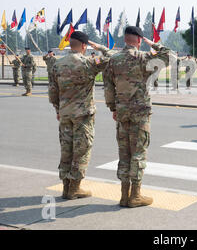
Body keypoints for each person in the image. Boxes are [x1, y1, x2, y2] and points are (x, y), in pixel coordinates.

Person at [104, 26, 173, 208]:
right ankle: (135, 195)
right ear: (139, 40)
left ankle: (124, 195)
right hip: (140, 112)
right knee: (138, 152)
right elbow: (169, 55)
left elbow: (108, 87)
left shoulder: (113, 60)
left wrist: (113, 108)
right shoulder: (143, 58)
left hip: (122, 112)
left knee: (124, 152)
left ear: (124, 39)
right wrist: (153, 43)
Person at [48, 31, 113, 200]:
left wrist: (58, 110)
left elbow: (53, 92)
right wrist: (100, 48)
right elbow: (111, 58)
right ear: (84, 45)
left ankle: (66, 187)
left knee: (66, 149)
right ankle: (75, 188)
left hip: (65, 114)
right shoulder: (89, 62)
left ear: (70, 44)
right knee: (82, 150)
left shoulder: (57, 64)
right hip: (83, 115)